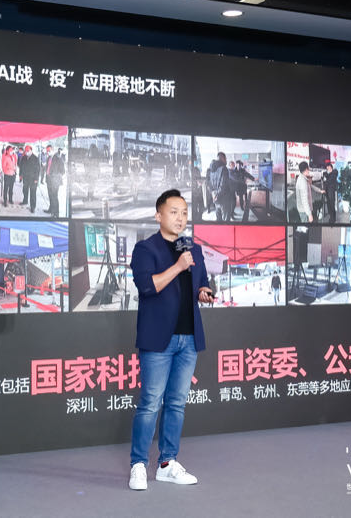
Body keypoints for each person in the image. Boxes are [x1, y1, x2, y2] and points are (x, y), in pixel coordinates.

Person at [128, 189, 214, 491]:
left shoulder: (193, 250)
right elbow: (147, 287)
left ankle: (167, 463)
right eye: (174, 212)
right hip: (158, 340)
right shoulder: (145, 249)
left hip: (188, 339)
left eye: (184, 213)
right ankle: (138, 465)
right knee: (150, 403)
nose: (180, 218)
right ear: (158, 215)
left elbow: (202, 282)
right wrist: (178, 266)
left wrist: (204, 291)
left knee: (176, 404)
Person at [208, 152, 234, 221]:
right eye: (226, 159)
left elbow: (209, 184)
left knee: (218, 220)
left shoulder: (211, 169)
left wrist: (214, 194)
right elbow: (223, 186)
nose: (226, 160)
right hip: (224, 200)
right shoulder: (223, 168)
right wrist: (217, 195)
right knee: (226, 221)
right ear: (222, 158)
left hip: (216, 200)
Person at [44, 144, 65, 218]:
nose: (48, 152)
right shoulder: (49, 157)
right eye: (47, 151)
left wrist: (55, 176)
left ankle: (56, 213)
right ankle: (51, 209)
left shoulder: (58, 158)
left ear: (53, 149)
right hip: (49, 179)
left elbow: (63, 171)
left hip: (55, 181)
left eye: (49, 150)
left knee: (54, 196)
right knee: (50, 195)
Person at [19, 145, 40, 213]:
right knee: (25, 190)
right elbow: (21, 166)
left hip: (33, 179)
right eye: (25, 151)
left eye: (27, 150)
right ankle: (25, 201)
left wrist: (36, 179)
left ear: (31, 150)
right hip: (25, 178)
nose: (26, 152)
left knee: (33, 193)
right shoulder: (24, 157)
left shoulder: (35, 158)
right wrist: (20, 175)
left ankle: (32, 207)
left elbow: (38, 170)